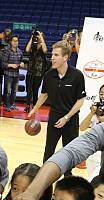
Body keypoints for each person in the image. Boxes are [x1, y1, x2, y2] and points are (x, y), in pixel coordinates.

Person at [28, 41, 86, 171]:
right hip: (54, 117)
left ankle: (68, 178)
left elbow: (80, 100)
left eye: (56, 55)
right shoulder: (49, 75)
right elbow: (44, 95)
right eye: (52, 54)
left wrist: (67, 117)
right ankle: (44, 178)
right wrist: (34, 109)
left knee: (69, 152)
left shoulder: (77, 76)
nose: (52, 57)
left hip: (71, 120)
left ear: (65, 57)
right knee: (49, 151)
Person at [24, 30, 48, 113]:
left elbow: (45, 50)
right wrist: (32, 37)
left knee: (35, 90)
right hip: (30, 70)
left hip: (39, 72)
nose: (37, 38)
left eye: (39, 37)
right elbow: (27, 49)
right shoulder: (33, 45)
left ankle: (34, 106)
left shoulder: (42, 46)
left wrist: (41, 37)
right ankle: (27, 105)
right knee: (28, 89)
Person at [0, 35, 23, 112]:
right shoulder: (7, 50)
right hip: (8, 74)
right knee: (8, 91)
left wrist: (21, 64)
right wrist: (10, 65)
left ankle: (12, 104)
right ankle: (7, 104)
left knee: (14, 91)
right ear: (11, 42)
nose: (15, 42)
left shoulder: (20, 51)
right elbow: (2, 64)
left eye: (17, 41)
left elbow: (21, 62)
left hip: (16, 74)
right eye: (14, 41)